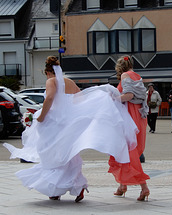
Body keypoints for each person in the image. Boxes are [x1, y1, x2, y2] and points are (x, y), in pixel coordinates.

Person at [4, 56, 138, 202]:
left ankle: (55, 188)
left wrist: (42, 116)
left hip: (54, 123)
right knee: (67, 155)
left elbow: (49, 98)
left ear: (47, 72)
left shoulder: (51, 81)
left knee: (53, 155)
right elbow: (80, 99)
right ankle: (77, 186)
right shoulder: (69, 82)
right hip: (67, 125)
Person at [108, 55, 150, 201]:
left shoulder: (125, 75)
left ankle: (144, 187)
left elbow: (129, 95)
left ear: (120, 67)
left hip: (129, 117)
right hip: (138, 116)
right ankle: (122, 186)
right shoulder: (137, 75)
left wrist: (114, 99)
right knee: (125, 151)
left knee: (128, 151)